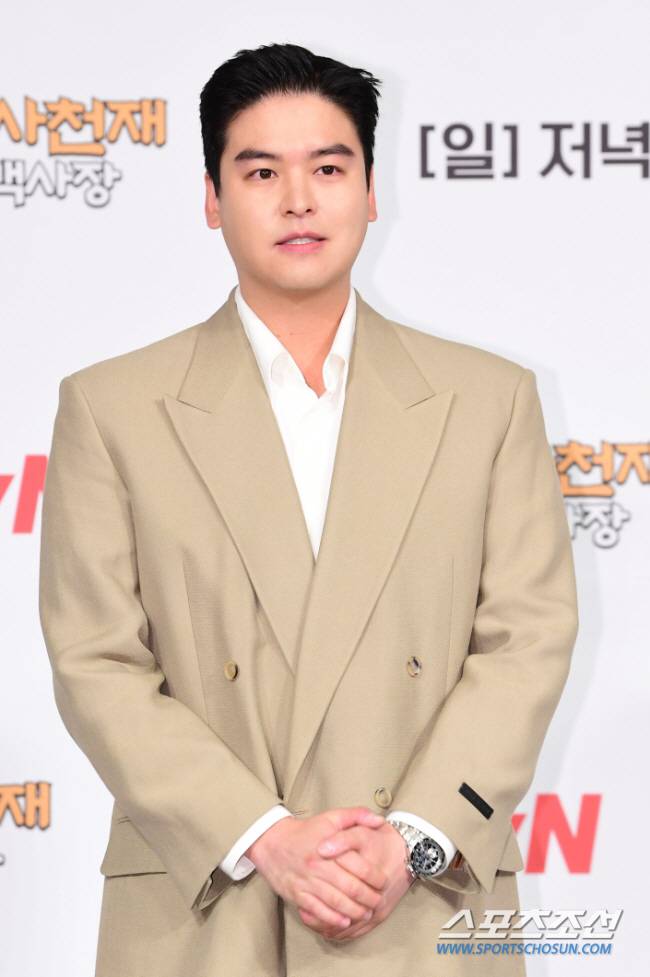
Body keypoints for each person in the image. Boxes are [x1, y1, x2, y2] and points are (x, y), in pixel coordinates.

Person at [39, 41, 579, 977]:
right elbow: (96, 662)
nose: (298, 199)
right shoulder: (111, 408)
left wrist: (410, 839)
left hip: (421, 905)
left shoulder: (489, 401)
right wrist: (264, 834)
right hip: (208, 904)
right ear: (212, 198)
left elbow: (527, 640)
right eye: (261, 172)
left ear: (370, 192)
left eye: (329, 168)